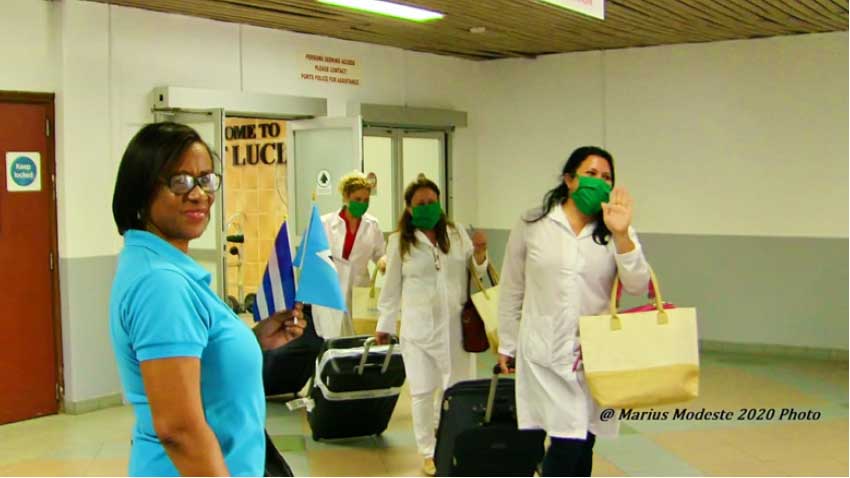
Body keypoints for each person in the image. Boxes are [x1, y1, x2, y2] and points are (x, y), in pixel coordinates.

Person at [109, 122, 304, 476]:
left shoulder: (161, 265)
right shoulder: (161, 284)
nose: (198, 194)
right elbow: (179, 430)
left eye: (205, 179)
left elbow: (194, 363)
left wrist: (252, 339)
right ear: (141, 190)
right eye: (179, 181)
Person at [497, 146, 651, 477]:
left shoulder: (614, 230)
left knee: (583, 442)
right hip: (543, 351)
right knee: (568, 441)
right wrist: (507, 343)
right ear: (569, 179)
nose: (599, 182)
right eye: (591, 174)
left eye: (606, 177)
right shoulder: (533, 223)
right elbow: (512, 288)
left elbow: (638, 285)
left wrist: (623, 235)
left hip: (593, 356)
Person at [375, 177, 488, 477]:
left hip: (457, 328)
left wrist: (479, 254)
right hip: (418, 331)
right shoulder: (400, 241)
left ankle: (455, 442)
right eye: (420, 204)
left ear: (440, 203)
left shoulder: (456, 232)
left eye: (432, 202)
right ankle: (428, 451)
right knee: (423, 392)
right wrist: (384, 325)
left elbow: (475, 271)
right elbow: (390, 288)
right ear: (409, 209)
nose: (427, 207)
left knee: (456, 390)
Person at [312, 171, 386, 338]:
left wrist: (383, 261)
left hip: (358, 291)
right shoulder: (325, 223)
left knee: (357, 339)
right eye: (357, 199)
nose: (362, 203)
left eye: (366, 200)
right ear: (346, 196)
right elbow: (312, 261)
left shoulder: (372, 225)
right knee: (331, 339)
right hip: (329, 292)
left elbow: (380, 254)